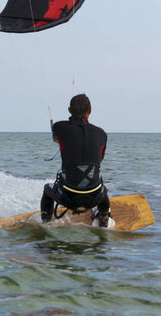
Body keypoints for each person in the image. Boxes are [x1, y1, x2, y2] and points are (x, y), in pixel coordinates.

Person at [40, 93, 111, 227]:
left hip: (67, 196)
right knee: (103, 190)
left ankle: (45, 224)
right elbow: (100, 159)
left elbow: (55, 137)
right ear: (90, 110)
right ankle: (103, 218)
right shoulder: (101, 134)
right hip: (94, 196)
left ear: (69, 110)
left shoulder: (59, 127)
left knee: (47, 189)